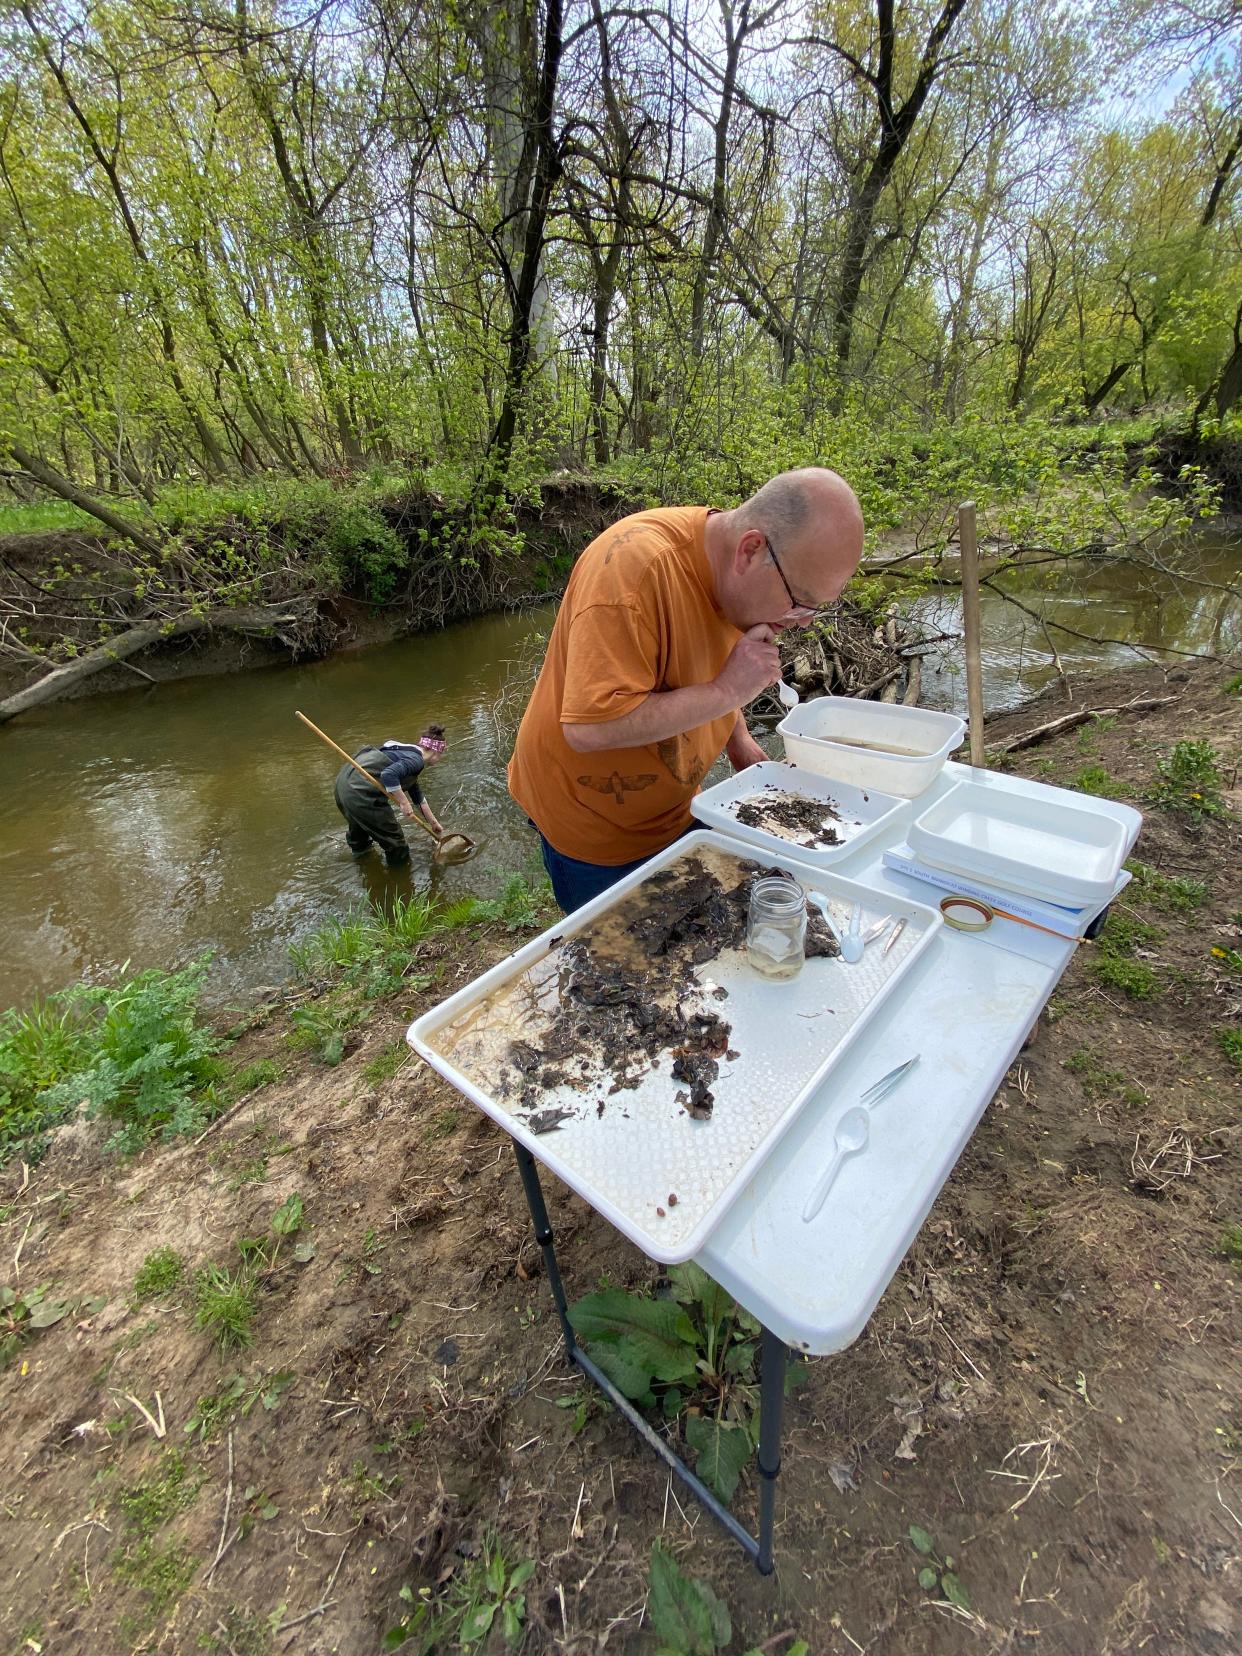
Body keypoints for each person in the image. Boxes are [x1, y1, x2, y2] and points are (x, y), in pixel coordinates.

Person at [508, 468, 865, 911]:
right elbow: (591, 729)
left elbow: (705, 665)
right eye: (800, 600)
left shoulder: (741, 581)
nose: (805, 620)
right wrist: (728, 691)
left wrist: (739, 740)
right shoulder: (633, 574)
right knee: (623, 969)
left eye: (817, 608)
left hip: (681, 808)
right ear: (751, 550)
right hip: (593, 832)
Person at [335, 725, 447, 867]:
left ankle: (363, 863)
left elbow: (418, 797)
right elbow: (389, 775)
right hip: (360, 791)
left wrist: (433, 823)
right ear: (436, 751)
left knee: (360, 834)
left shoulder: (407, 753)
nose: (440, 759)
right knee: (396, 844)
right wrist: (404, 802)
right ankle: (399, 879)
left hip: (344, 784)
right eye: (442, 754)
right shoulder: (416, 761)